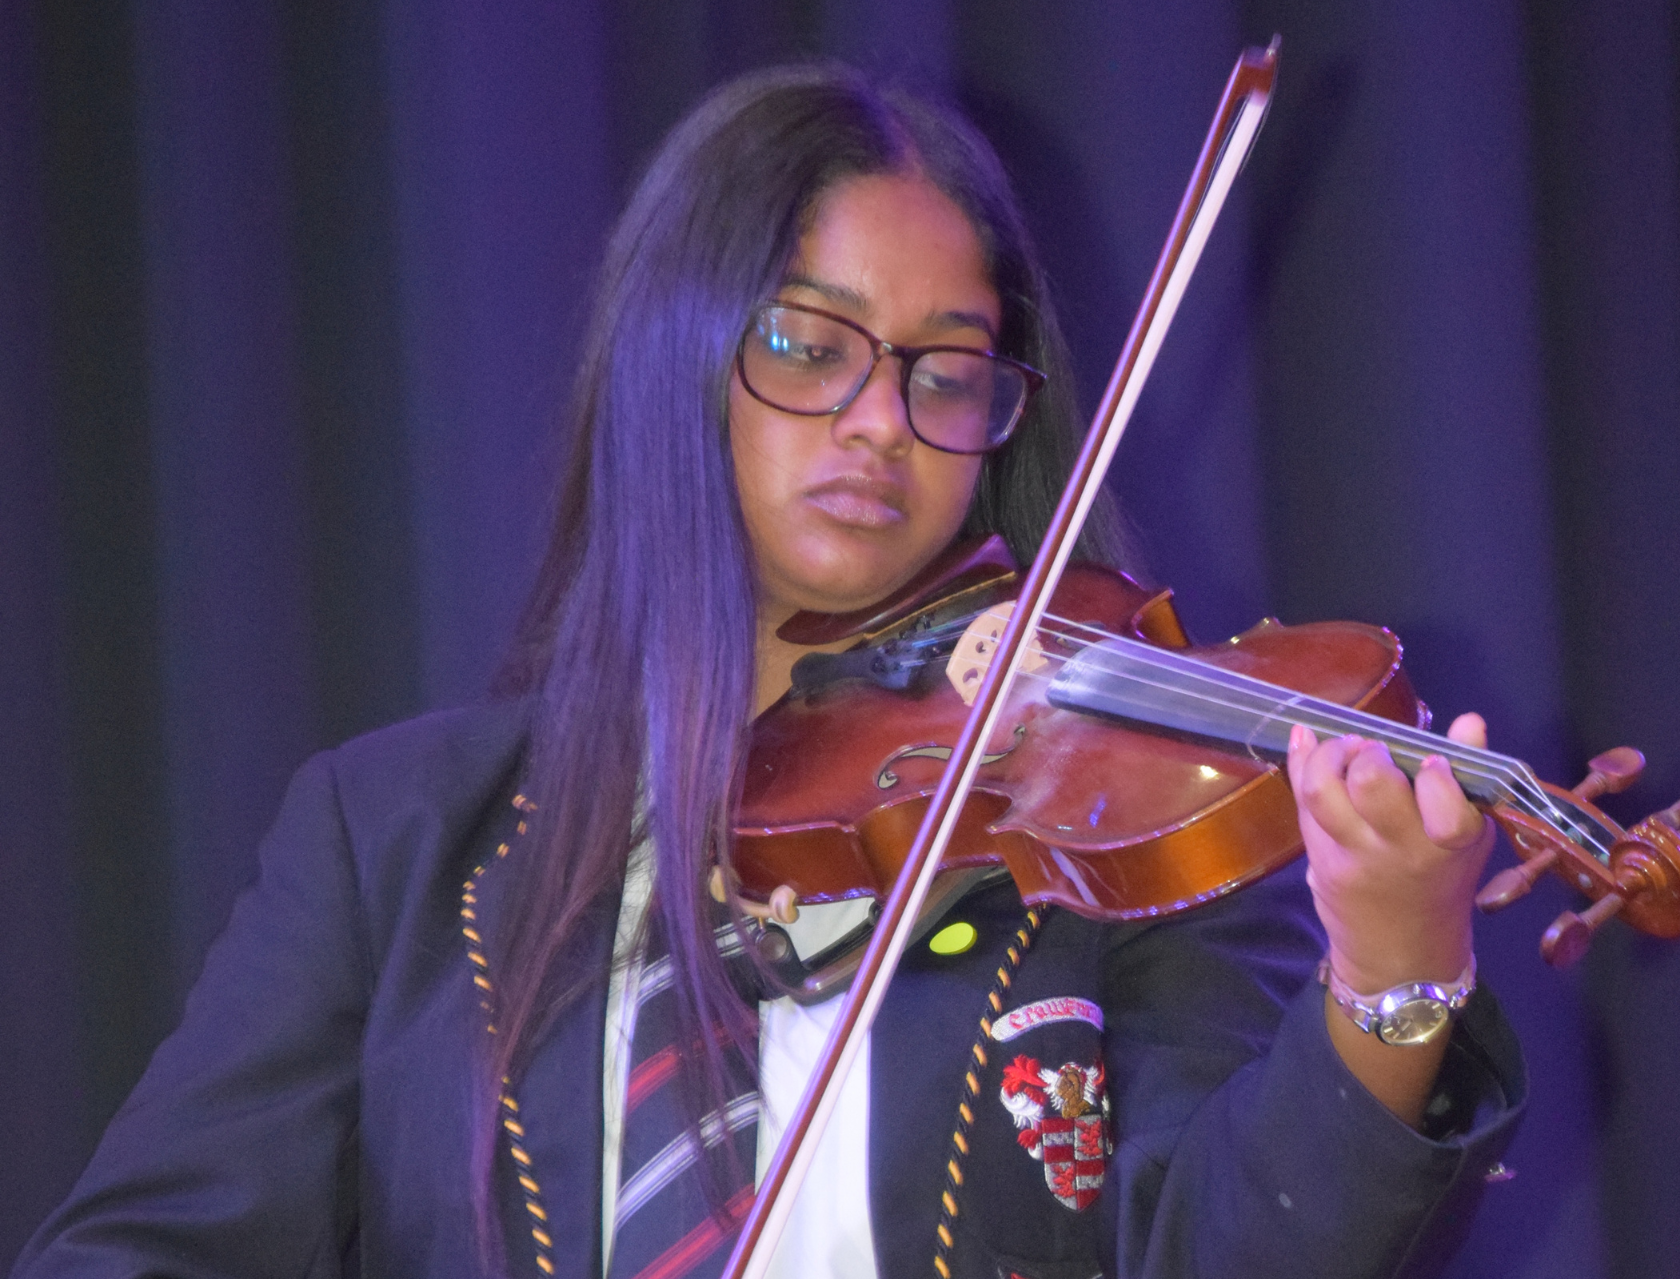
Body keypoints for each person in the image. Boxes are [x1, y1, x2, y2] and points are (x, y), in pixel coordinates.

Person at [12, 66, 1522, 1279]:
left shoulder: (1087, 832)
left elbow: (1233, 1244)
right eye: (811, 345)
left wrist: (1397, 974)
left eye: (947, 368)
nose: (882, 418)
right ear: (678, 355)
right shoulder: (395, 844)